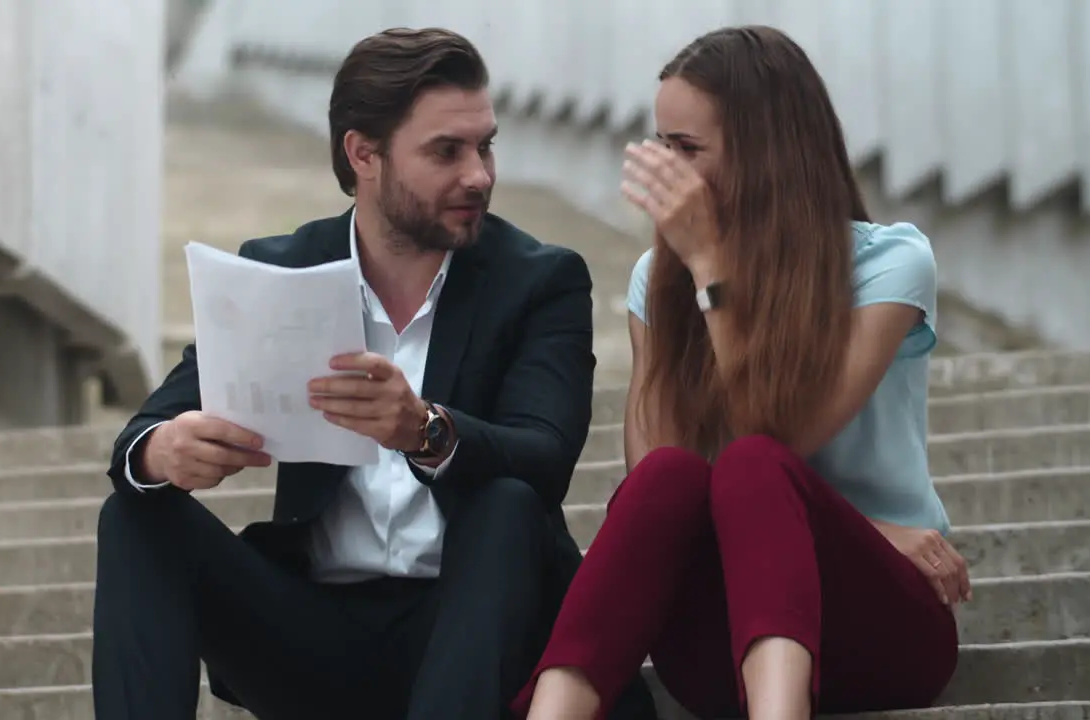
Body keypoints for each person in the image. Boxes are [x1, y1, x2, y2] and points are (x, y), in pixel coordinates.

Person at [90, 27, 657, 720]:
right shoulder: (281, 270)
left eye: (485, 145)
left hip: (480, 628)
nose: (478, 174)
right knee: (136, 515)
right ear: (364, 154)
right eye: (446, 151)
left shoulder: (539, 280)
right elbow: (140, 434)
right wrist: (162, 450)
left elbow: (544, 458)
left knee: (506, 503)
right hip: (318, 635)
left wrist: (426, 430)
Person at [511, 25, 970, 720]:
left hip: (881, 626)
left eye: (687, 149)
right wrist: (690, 271)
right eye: (659, 144)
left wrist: (712, 272)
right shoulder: (654, 279)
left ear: (765, 153)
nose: (666, 170)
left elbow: (787, 435)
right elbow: (660, 476)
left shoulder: (888, 265)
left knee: (755, 461)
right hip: (723, 644)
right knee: (668, 479)